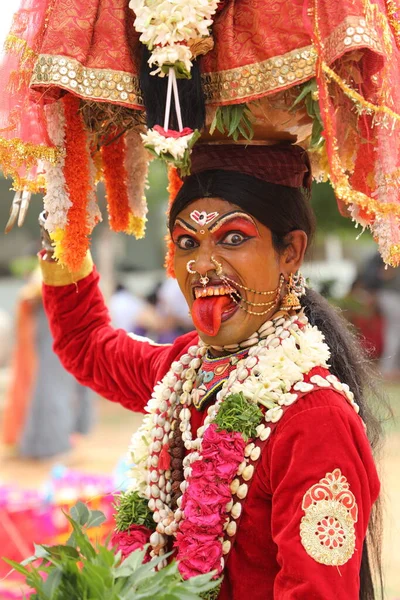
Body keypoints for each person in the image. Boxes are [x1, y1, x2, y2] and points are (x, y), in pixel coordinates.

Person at [38, 144, 382, 599]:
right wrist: (66, 236)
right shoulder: (183, 372)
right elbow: (88, 347)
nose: (202, 266)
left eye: (233, 238)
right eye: (187, 243)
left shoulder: (314, 419)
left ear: (291, 253)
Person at [2, 268, 94, 459]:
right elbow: (31, 293)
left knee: (56, 393)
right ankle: (38, 446)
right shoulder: (47, 268)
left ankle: (55, 445)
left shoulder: (71, 265)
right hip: (48, 337)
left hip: (62, 336)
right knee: (45, 393)